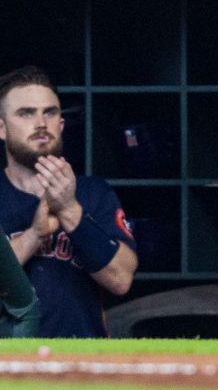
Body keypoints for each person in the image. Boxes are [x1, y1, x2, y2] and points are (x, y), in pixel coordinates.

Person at [0, 66, 137, 338]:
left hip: (81, 357)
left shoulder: (93, 193)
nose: (41, 123)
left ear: (61, 125)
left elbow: (121, 280)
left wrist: (69, 209)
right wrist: (34, 235)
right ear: (1, 128)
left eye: (49, 112)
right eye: (26, 113)